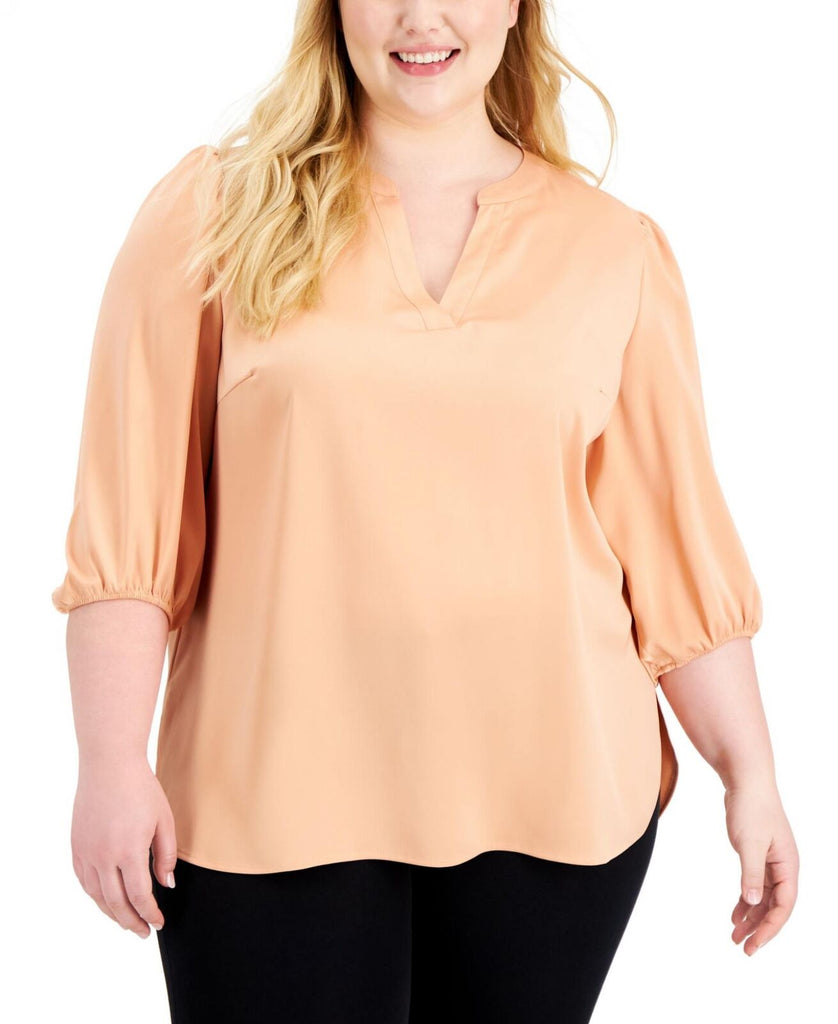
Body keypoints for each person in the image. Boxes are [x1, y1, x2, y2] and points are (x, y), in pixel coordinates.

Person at [53, 1, 799, 1021]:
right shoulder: (214, 211)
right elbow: (128, 520)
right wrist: (108, 763)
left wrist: (750, 774)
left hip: (555, 806)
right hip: (262, 798)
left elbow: (675, 547)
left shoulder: (611, 250)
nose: (420, 18)